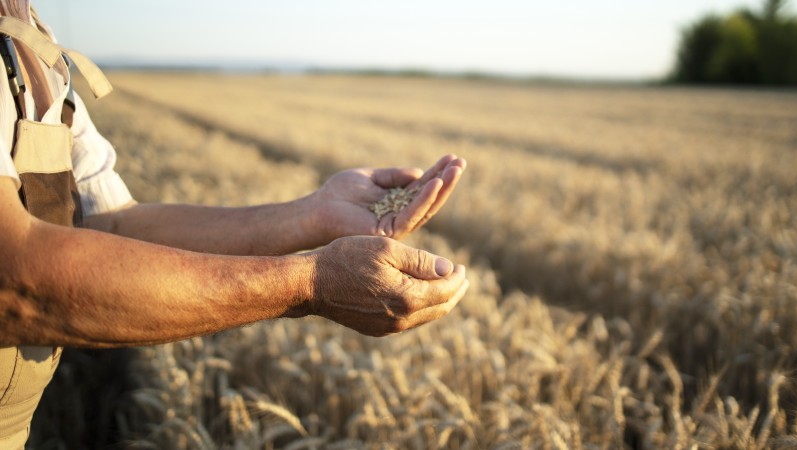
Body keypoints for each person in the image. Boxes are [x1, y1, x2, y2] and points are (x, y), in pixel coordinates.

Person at [0, 1, 468, 448]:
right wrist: (311, 282)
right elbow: (14, 277)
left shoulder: (33, 40)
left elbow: (108, 224)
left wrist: (314, 213)